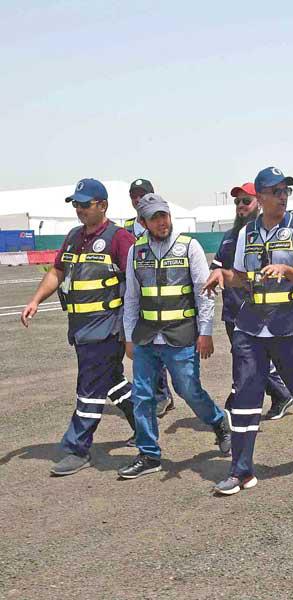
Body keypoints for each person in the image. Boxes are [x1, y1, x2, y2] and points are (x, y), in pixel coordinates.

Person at [203, 166, 293, 496]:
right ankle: (241, 470)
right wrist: (222, 277)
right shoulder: (247, 233)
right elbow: (241, 277)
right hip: (250, 326)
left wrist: (287, 269)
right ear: (260, 198)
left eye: (286, 190)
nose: (283, 196)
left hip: (289, 325)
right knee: (246, 391)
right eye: (276, 191)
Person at [21, 179, 138, 476]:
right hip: (81, 329)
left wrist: (131, 331)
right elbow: (58, 271)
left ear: (103, 205)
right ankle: (144, 424)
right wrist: (35, 300)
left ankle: (77, 448)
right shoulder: (74, 237)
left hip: (107, 329)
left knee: (88, 388)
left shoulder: (119, 239)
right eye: (76, 204)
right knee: (111, 381)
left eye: (85, 204)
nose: (79, 209)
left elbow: (136, 284)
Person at [118, 194, 231, 479]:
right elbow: (131, 298)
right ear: (143, 222)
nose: (161, 222)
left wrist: (205, 332)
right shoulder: (136, 251)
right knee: (143, 396)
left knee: (188, 390)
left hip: (180, 336)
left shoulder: (189, 247)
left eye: (164, 215)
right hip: (145, 338)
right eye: (154, 218)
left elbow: (204, 293)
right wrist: (129, 336)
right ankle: (149, 454)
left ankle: (219, 422)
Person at [211, 182, 293, 421]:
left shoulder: (266, 235)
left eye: (246, 201)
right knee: (249, 361)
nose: (240, 206)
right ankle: (280, 394)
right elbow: (216, 269)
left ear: (259, 201)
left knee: (248, 363)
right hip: (232, 311)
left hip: (260, 311)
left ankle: (234, 412)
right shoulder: (229, 238)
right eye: (237, 202)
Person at [126, 178, 175, 419]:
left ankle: (162, 395)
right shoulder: (126, 229)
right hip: (138, 293)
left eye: (142, 194)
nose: (137, 198)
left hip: (163, 299)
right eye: (134, 195)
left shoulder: (164, 225)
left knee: (160, 350)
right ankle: (156, 396)